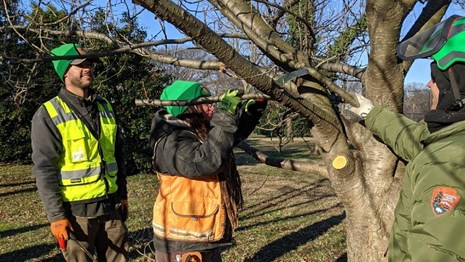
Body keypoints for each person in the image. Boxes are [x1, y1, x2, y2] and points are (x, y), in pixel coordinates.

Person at [349, 15, 465, 261]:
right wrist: (372, 113)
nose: (429, 83)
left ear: (455, 83)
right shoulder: (450, 141)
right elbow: (416, 139)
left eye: (436, 78)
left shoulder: (447, 164)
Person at [149, 80, 266, 262]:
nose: (211, 105)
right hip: (182, 240)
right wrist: (225, 114)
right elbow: (208, 160)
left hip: (198, 234)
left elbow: (223, 141)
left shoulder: (195, 131)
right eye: (205, 101)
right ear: (188, 108)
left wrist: (248, 116)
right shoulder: (171, 142)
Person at [31, 43, 129, 261]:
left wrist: (122, 195)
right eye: (80, 64)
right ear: (65, 71)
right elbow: (44, 169)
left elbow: (118, 153)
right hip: (76, 217)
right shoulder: (48, 114)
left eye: (89, 64)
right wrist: (56, 216)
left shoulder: (104, 106)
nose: (88, 68)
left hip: (110, 209)